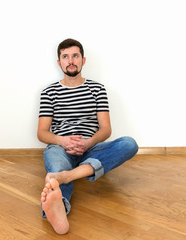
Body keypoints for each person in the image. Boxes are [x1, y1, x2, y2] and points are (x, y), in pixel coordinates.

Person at [37, 38, 138, 234]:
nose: (71, 60)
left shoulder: (97, 89)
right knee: (57, 165)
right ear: (59, 62)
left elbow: (106, 129)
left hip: (91, 149)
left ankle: (68, 176)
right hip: (60, 148)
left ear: (83, 60)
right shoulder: (49, 92)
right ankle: (60, 207)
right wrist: (62, 140)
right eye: (65, 57)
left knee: (129, 143)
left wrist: (88, 142)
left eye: (75, 56)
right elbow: (42, 133)